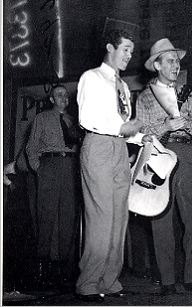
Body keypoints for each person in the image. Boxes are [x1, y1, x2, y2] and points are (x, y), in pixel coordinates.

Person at [136, 38, 192, 295]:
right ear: (157, 65)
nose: (176, 65)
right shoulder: (145, 98)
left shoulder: (186, 93)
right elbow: (141, 133)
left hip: (184, 151)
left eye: (178, 61)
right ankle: (167, 280)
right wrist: (165, 127)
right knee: (161, 217)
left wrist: (188, 125)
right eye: (170, 61)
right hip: (157, 154)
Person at [75, 28, 145, 302]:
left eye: (131, 50)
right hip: (98, 146)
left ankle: (109, 279)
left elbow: (123, 126)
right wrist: (124, 127)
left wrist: (141, 136)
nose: (129, 54)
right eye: (125, 48)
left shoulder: (123, 86)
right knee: (102, 217)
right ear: (110, 48)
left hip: (119, 148)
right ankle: (89, 282)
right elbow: (87, 117)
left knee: (119, 216)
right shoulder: (91, 78)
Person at [25, 85, 83, 289]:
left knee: (67, 216)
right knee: (46, 215)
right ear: (51, 99)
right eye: (59, 95)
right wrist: (39, 169)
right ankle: (43, 266)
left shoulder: (76, 121)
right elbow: (31, 147)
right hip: (49, 166)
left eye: (66, 95)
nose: (64, 98)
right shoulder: (42, 118)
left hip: (71, 168)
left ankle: (62, 268)